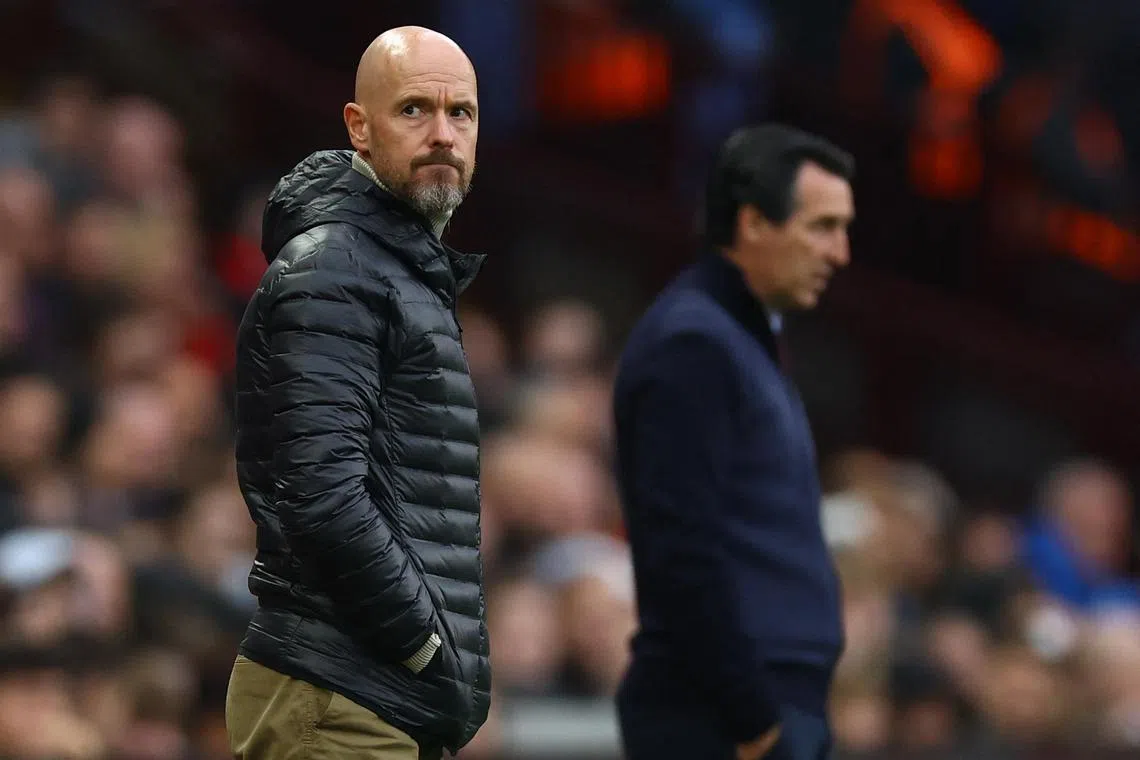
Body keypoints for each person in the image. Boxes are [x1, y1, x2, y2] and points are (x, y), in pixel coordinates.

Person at [224, 26, 490, 760]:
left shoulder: (391, 266)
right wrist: (423, 645)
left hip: (366, 695)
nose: (442, 134)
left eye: (460, 113)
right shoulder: (337, 267)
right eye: (414, 111)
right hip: (341, 695)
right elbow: (321, 492)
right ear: (359, 129)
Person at [612, 124, 856, 760]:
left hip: (755, 710)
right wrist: (753, 719)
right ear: (752, 223)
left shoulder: (735, 339)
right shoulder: (694, 345)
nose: (840, 253)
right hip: (722, 720)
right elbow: (681, 550)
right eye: (822, 227)